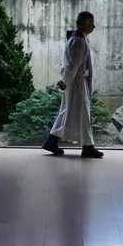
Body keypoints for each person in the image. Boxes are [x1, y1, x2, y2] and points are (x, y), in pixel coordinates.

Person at [42, 11, 104, 158]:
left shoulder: (77, 39)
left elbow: (72, 65)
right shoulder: (78, 41)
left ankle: (52, 142)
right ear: (83, 23)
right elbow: (73, 65)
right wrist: (65, 81)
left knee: (67, 113)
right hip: (77, 84)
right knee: (82, 115)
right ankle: (88, 148)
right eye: (90, 23)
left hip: (75, 82)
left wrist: (65, 81)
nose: (93, 26)